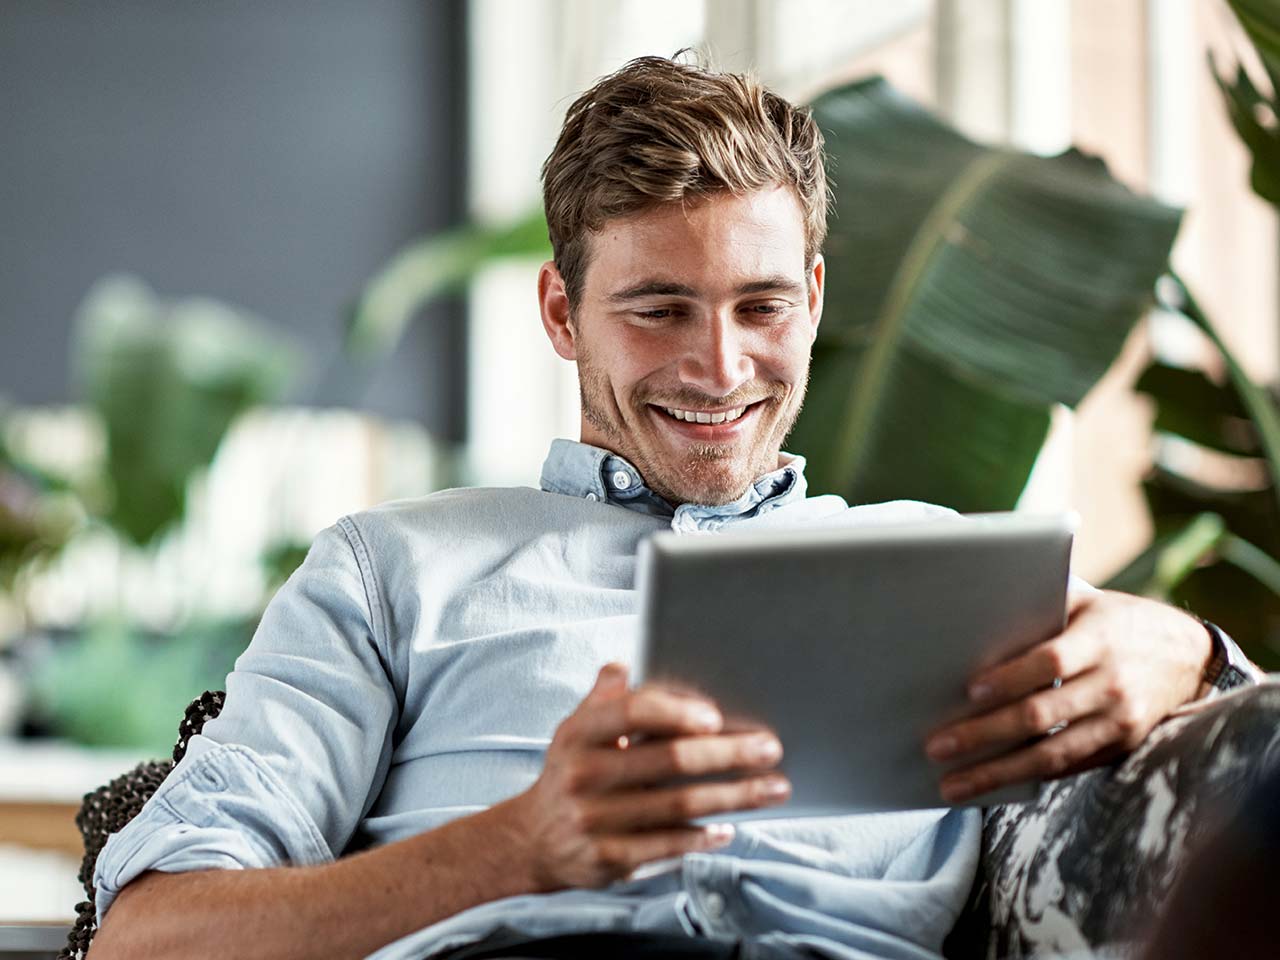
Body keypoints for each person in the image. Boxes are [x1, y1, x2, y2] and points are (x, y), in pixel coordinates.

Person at [88, 55, 1258, 960]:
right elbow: (155, 936)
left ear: (810, 295)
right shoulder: (391, 569)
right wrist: (515, 847)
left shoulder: (947, 572)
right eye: (656, 309)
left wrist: (1187, 647)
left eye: (759, 306)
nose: (718, 367)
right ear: (561, 313)